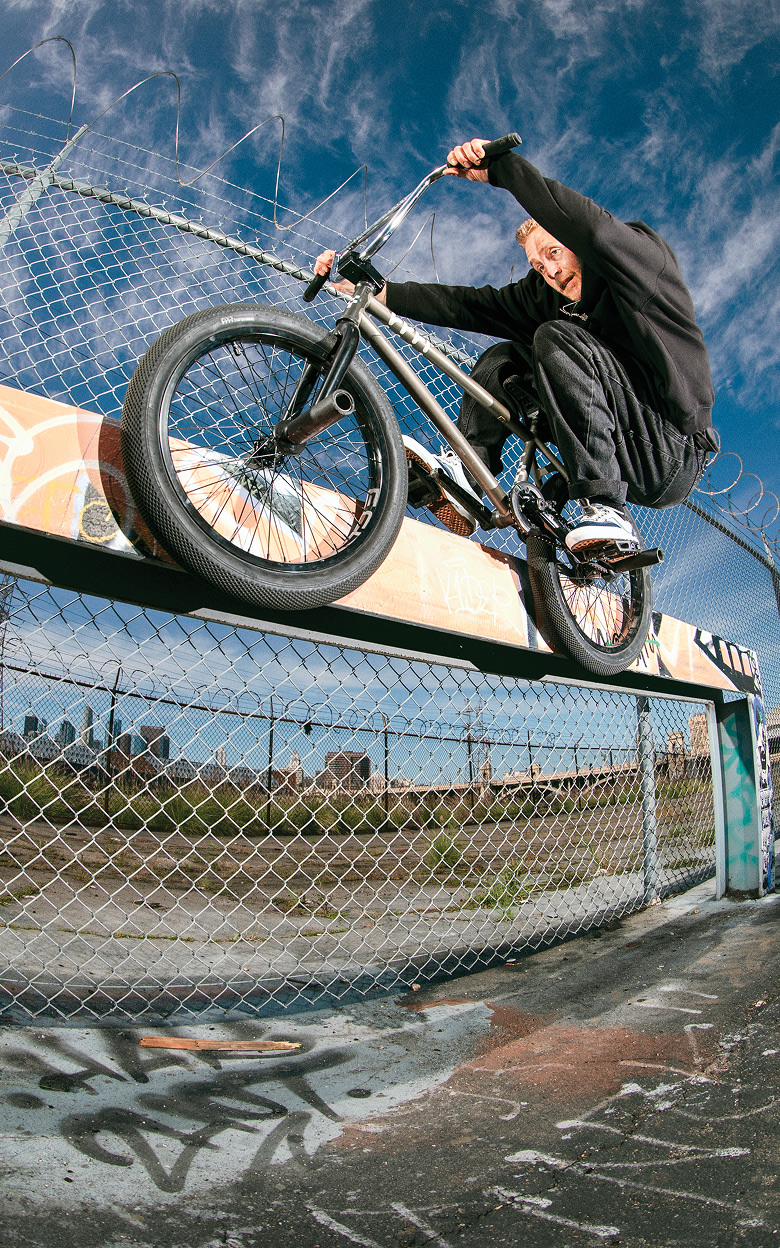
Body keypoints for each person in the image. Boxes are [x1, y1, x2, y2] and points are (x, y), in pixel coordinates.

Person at [314, 138, 718, 553]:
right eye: (538, 266)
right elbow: (468, 305)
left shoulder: (637, 264)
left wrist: (502, 170)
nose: (552, 271)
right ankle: (469, 479)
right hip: (619, 443)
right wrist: (379, 290)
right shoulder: (544, 298)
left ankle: (605, 507)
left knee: (557, 338)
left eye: (554, 252)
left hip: (672, 447)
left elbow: (594, 230)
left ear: (574, 243)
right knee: (501, 358)